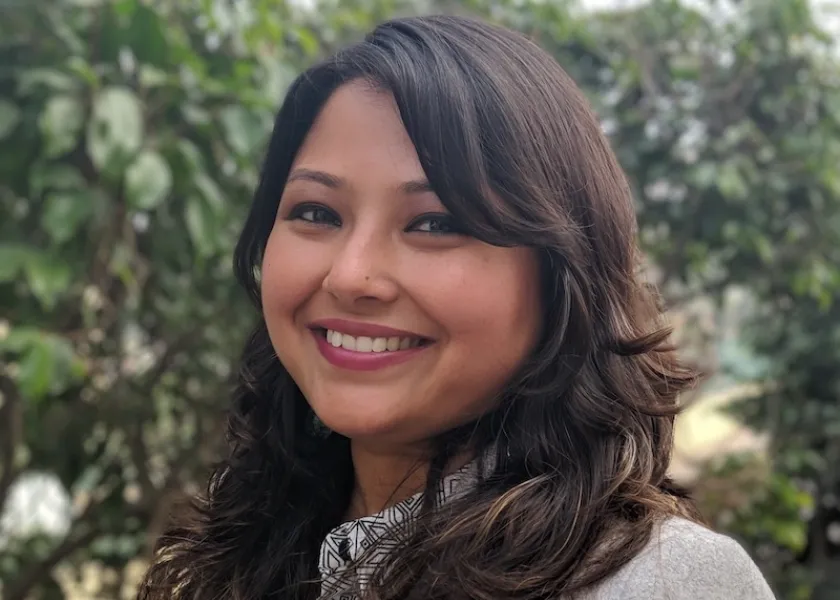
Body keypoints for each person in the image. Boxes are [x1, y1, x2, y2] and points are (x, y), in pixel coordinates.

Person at [138, 14, 777, 600]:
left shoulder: (662, 583)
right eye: (316, 213)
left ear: (560, 276)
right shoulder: (240, 556)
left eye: (436, 223)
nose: (352, 273)